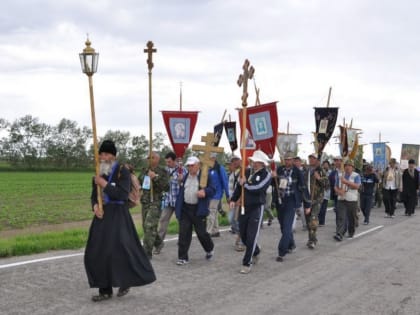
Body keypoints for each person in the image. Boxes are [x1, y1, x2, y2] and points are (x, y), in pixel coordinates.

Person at [84, 140, 156, 302]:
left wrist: (104, 184)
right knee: (96, 251)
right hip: (102, 216)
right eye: (101, 154)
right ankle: (105, 290)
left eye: (107, 154)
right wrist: (95, 206)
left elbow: (122, 195)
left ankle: (126, 281)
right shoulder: (98, 173)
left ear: (114, 156)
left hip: (119, 215)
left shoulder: (122, 171)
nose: (104, 157)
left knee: (121, 250)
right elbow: (93, 196)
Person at [230, 150, 272, 274]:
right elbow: (238, 187)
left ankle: (246, 263)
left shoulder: (266, 174)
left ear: (262, 163)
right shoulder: (246, 172)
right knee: (243, 234)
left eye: (256, 161)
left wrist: (246, 184)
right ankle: (256, 250)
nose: (253, 163)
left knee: (252, 235)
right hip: (244, 206)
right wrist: (233, 199)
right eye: (253, 161)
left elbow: (258, 188)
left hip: (257, 207)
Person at [175, 156, 215, 265]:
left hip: (198, 210)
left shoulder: (204, 176)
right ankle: (183, 257)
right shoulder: (185, 176)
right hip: (185, 209)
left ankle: (209, 248)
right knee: (183, 233)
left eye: (192, 165)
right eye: (188, 166)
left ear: (198, 165)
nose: (190, 167)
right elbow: (182, 191)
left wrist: (205, 192)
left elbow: (213, 189)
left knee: (202, 234)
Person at [272, 151, 310, 261]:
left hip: (291, 201)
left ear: (293, 160)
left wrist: (307, 205)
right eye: (286, 159)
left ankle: (281, 252)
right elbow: (273, 184)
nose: (287, 161)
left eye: (289, 159)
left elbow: (303, 188)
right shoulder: (279, 169)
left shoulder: (297, 172)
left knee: (288, 226)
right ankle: (291, 244)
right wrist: (272, 177)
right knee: (283, 227)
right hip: (280, 200)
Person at [155, 152, 187, 254]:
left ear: (174, 160)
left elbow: (187, 183)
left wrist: (182, 180)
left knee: (182, 223)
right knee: (163, 221)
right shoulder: (164, 171)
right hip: (168, 201)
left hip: (179, 202)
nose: (167, 163)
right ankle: (158, 245)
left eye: (169, 162)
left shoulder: (183, 170)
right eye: (166, 162)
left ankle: (182, 243)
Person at [138, 151, 169, 258]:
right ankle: (158, 243)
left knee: (149, 226)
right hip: (145, 201)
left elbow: (166, 187)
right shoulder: (144, 171)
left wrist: (155, 177)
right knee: (146, 227)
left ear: (157, 159)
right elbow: (139, 182)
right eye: (148, 158)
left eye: (151, 158)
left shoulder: (163, 171)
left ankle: (146, 253)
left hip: (155, 202)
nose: (149, 160)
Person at [303, 153, 328, 249]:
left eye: (313, 158)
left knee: (313, 219)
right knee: (308, 221)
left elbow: (327, 185)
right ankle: (311, 238)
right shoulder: (306, 171)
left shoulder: (320, 171)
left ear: (317, 160)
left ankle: (312, 240)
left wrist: (319, 178)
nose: (311, 160)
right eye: (310, 158)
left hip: (317, 199)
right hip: (307, 199)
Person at [334, 159, 361, 241]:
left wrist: (346, 182)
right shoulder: (340, 175)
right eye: (346, 166)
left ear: (352, 167)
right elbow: (335, 186)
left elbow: (357, 186)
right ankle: (339, 233)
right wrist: (338, 191)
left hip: (352, 199)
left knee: (351, 217)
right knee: (341, 217)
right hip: (341, 199)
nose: (347, 167)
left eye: (349, 166)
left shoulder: (356, 175)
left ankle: (351, 231)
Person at [207, 152, 230, 237]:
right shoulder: (209, 169)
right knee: (214, 212)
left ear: (214, 158)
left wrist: (227, 195)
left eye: (210, 158)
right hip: (209, 194)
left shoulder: (220, 168)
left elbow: (225, 181)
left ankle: (208, 231)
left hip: (217, 194)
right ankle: (215, 231)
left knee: (211, 212)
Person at [226, 155, 245, 251]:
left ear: (240, 161)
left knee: (237, 220)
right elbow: (230, 188)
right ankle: (242, 236)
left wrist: (239, 199)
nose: (234, 163)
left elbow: (242, 188)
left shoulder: (243, 172)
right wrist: (229, 198)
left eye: (236, 160)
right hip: (232, 200)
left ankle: (242, 239)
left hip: (239, 201)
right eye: (232, 161)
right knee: (231, 220)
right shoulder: (231, 174)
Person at [318, 160, 331, 226]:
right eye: (324, 164)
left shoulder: (330, 173)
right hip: (320, 193)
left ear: (328, 165)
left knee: (323, 208)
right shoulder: (320, 172)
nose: (325, 166)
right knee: (319, 208)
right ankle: (318, 220)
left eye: (326, 164)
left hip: (326, 193)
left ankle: (322, 222)